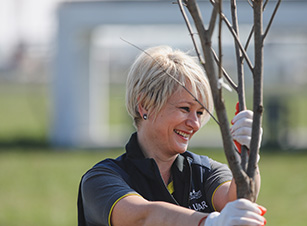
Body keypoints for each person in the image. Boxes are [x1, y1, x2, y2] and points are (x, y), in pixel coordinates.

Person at [77, 46, 265, 226]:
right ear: (145, 105)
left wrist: (249, 158)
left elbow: (235, 200)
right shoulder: (101, 179)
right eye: (185, 109)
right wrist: (208, 222)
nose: (195, 123)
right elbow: (142, 218)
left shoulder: (205, 171)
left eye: (200, 112)